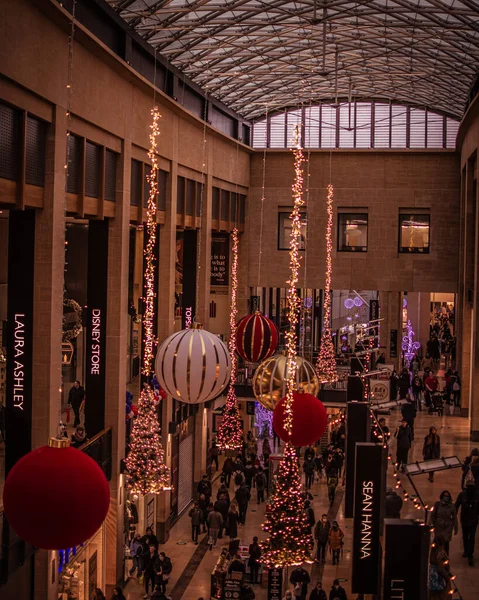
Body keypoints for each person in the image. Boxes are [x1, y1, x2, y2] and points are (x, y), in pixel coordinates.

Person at [455, 481, 479, 565]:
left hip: (473, 519)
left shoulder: (477, 495)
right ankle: (466, 551)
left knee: (471, 536)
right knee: (465, 536)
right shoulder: (462, 495)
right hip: (464, 519)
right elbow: (456, 505)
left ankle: (470, 554)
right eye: (469, 487)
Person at [431, 490, 458, 555]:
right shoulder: (437, 504)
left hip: (447, 527)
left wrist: (456, 528)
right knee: (437, 542)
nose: (446, 497)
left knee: (446, 544)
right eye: (445, 496)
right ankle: (435, 558)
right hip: (438, 526)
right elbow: (433, 515)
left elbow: (454, 518)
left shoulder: (452, 506)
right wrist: (432, 524)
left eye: (447, 496)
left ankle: (445, 559)